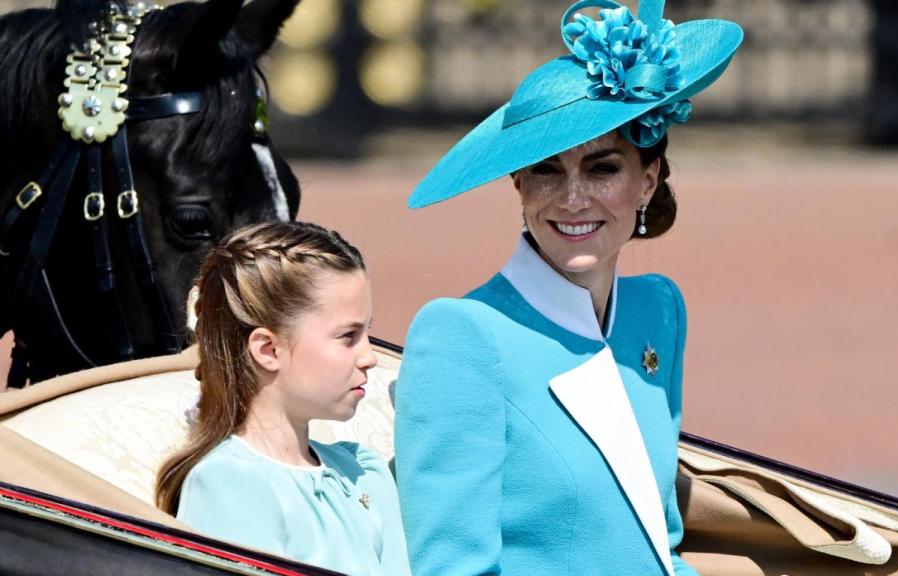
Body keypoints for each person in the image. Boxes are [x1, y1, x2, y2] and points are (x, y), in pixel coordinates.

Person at [393, 1, 743, 575]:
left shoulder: (657, 310)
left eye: (602, 168)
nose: (572, 198)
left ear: (647, 180)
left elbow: (660, 543)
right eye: (546, 170)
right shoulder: (463, 334)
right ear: (519, 185)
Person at [154, 221, 410, 576]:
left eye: (366, 332)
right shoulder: (229, 483)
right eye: (348, 336)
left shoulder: (363, 470)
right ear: (268, 349)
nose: (370, 357)